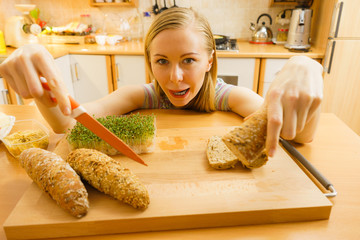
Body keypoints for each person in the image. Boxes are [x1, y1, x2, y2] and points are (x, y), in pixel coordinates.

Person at [0, 7, 323, 157]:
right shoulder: (139, 96)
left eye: (189, 60)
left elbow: (294, 136)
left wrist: (304, 65)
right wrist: (45, 87)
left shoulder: (231, 98)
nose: (175, 77)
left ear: (210, 60)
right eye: (162, 62)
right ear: (149, 63)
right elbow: (69, 126)